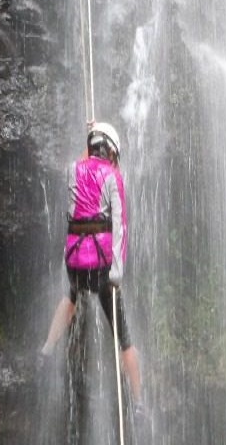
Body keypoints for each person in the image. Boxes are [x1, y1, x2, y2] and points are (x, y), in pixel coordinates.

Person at [39, 121, 143, 412]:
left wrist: (92, 131)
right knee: (125, 341)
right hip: (100, 270)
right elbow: (120, 226)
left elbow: (84, 159)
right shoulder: (113, 177)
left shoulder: (73, 169)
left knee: (70, 298)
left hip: (74, 263)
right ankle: (138, 404)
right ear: (110, 151)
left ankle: (46, 349)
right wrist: (116, 273)